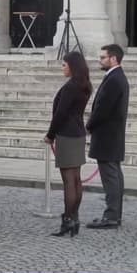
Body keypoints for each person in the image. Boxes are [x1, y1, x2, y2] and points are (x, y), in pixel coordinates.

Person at [45, 52, 93, 237]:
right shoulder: (84, 85)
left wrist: (50, 135)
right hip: (78, 133)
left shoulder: (70, 87)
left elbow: (60, 114)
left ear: (73, 66)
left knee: (68, 181)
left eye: (64, 64)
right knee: (76, 179)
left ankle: (68, 220)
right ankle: (75, 218)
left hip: (66, 134)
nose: (62, 68)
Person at [86, 44, 129, 229]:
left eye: (103, 57)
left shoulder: (114, 79)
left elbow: (103, 108)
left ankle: (111, 216)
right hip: (112, 136)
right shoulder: (116, 77)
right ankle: (114, 215)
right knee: (114, 175)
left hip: (107, 136)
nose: (100, 60)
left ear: (113, 58)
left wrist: (89, 126)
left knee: (111, 177)